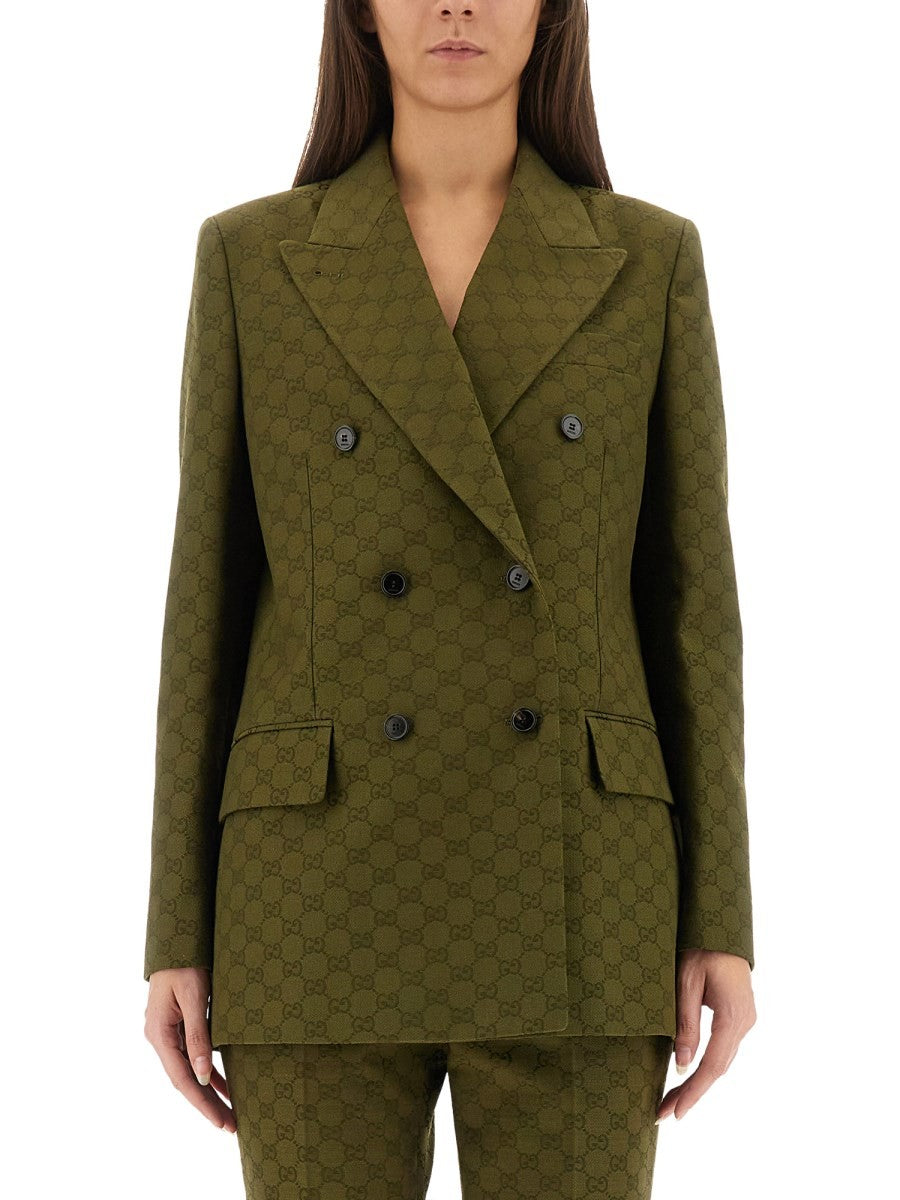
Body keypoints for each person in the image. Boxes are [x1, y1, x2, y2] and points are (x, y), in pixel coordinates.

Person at [143, 2, 757, 1197]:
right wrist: (177, 926)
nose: (457, 4)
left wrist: (719, 917)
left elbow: (694, 608)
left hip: (581, 885)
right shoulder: (252, 259)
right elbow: (203, 603)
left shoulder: (647, 259)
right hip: (313, 887)